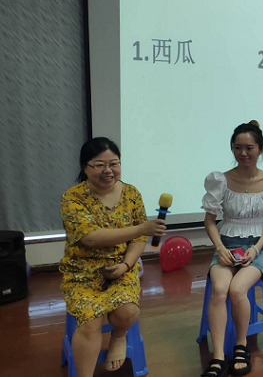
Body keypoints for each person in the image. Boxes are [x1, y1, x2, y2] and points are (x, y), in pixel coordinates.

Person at [60, 137, 166, 377]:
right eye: (99, 165)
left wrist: (126, 265)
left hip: (121, 267)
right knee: (90, 321)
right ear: (85, 167)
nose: (108, 170)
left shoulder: (131, 193)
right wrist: (140, 228)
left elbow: (139, 239)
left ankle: (119, 336)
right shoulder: (73, 198)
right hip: (82, 271)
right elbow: (90, 238)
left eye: (114, 163)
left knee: (127, 312)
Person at [201, 121, 263, 377]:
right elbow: (209, 221)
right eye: (238, 148)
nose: (243, 153)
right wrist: (219, 247)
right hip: (226, 245)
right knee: (219, 290)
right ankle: (218, 356)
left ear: (260, 149)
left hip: (258, 246)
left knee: (238, 290)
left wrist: (256, 249)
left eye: (249, 148)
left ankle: (241, 345)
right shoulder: (221, 180)